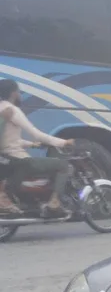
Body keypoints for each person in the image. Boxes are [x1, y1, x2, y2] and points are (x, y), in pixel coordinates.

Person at [0, 79, 73, 217]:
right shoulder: (12, 110)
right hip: (19, 160)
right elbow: (36, 133)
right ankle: (54, 203)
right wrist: (64, 142)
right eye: (18, 91)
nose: (20, 94)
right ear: (14, 93)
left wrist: (32, 145)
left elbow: (9, 139)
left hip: (5, 160)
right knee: (63, 165)